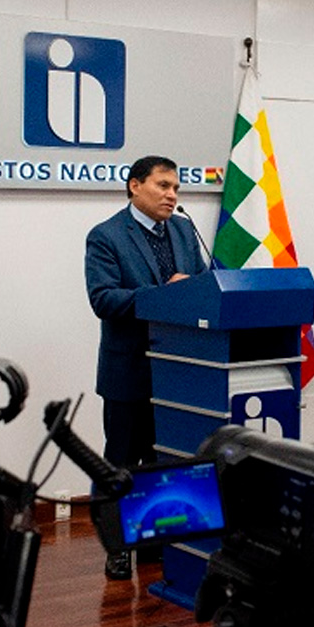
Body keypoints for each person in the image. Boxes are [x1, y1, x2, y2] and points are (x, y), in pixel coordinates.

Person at [84, 155, 208, 580]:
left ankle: (155, 543)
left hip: (178, 371)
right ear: (135, 186)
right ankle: (116, 547)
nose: (172, 195)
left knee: (164, 461)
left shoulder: (184, 230)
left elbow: (204, 286)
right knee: (119, 463)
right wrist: (162, 294)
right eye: (163, 185)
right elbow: (103, 299)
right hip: (128, 371)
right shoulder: (106, 236)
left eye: (176, 187)